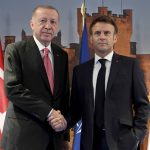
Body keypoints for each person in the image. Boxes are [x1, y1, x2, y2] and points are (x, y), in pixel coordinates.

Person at [68, 15, 149, 150]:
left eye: (107, 33)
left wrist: (136, 135)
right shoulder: (80, 71)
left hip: (123, 143)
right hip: (89, 143)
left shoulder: (131, 66)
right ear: (91, 39)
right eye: (97, 33)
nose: (102, 37)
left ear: (115, 38)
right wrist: (59, 122)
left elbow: (143, 105)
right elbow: (75, 109)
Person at [0, 5, 70, 150]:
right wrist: (49, 113)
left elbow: (63, 96)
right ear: (32, 24)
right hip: (23, 138)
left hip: (54, 139)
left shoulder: (61, 55)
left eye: (53, 22)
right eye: (43, 21)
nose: (48, 26)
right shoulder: (15, 50)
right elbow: (13, 89)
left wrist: (64, 134)